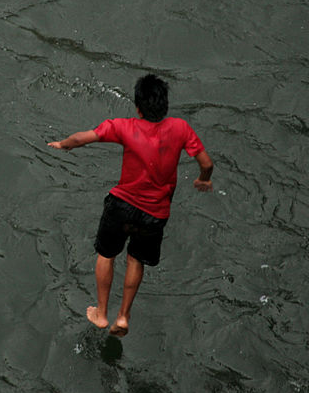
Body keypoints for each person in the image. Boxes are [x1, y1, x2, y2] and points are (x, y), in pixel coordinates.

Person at [47, 74, 213, 337]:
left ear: (138, 107)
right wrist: (203, 181)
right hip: (155, 214)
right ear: (165, 105)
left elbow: (81, 139)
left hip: (122, 205)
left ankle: (101, 313)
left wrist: (63, 145)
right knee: (136, 260)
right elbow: (206, 163)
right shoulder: (181, 129)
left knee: (106, 255)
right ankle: (123, 317)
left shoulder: (124, 127)